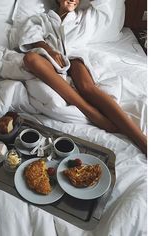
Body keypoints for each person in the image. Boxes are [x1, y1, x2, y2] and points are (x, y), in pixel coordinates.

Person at [19, 0, 147, 155]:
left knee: (87, 87)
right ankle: (89, 111)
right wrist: (49, 50)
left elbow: (104, 4)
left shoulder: (86, 17)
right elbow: (29, 35)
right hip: (50, 60)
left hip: (74, 58)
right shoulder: (42, 19)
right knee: (30, 58)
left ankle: (142, 141)